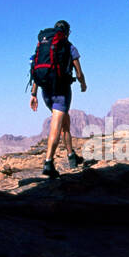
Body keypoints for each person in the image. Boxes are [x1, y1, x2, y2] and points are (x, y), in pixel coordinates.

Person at [29, 20, 89, 178]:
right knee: (56, 126)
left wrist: (33, 94)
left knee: (65, 123)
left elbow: (35, 70)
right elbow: (79, 72)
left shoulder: (43, 46)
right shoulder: (69, 46)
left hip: (45, 91)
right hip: (61, 90)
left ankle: (71, 156)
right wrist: (83, 84)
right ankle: (48, 163)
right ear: (67, 32)